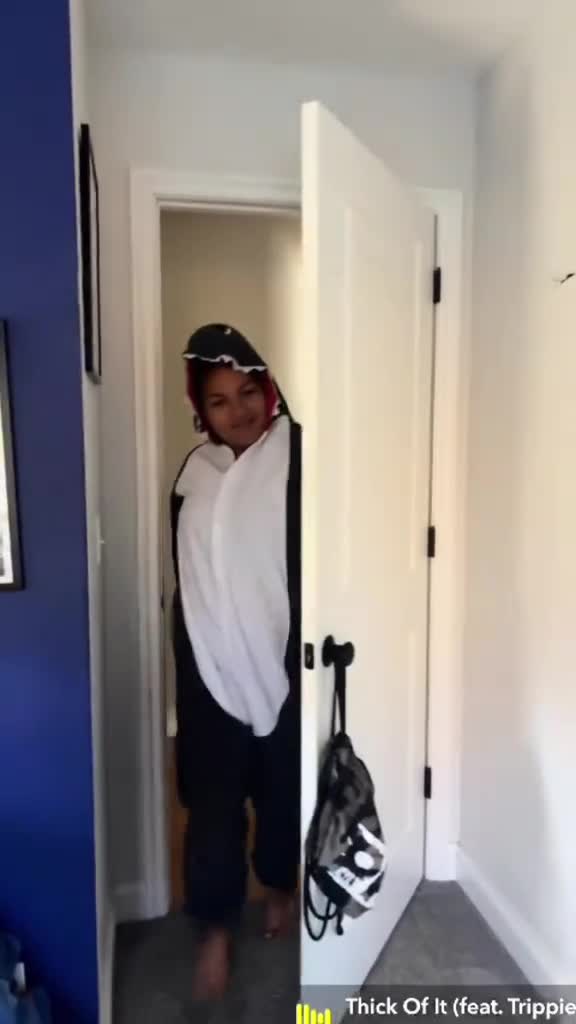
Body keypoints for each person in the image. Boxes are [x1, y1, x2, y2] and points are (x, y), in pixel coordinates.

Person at [170, 323, 301, 998]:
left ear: (268, 388)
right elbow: (190, 569)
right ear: (202, 408)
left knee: (283, 793)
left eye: (248, 392)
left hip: (284, 659)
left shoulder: (298, 458)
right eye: (218, 401)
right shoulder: (194, 472)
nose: (238, 411)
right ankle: (216, 930)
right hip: (208, 663)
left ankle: (279, 888)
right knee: (213, 806)